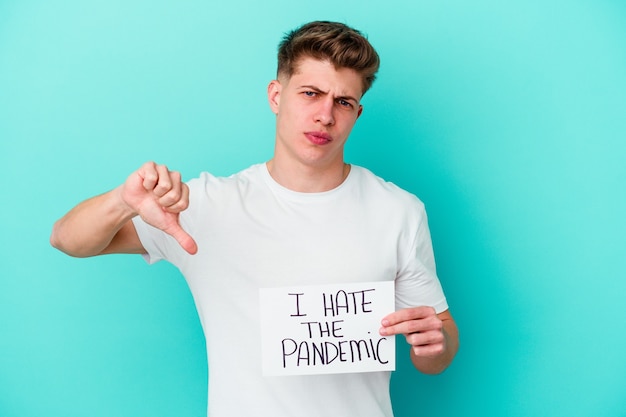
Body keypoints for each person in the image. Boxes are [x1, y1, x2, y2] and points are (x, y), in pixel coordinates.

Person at [51, 21, 459, 417]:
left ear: (357, 113)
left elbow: (437, 349)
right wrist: (123, 200)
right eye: (311, 93)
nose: (325, 115)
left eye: (343, 102)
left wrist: (434, 344)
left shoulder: (398, 210)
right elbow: (66, 239)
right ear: (276, 96)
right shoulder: (205, 206)